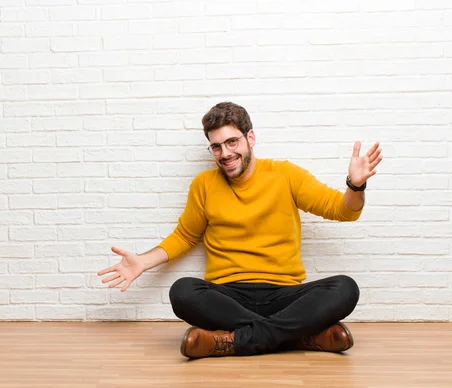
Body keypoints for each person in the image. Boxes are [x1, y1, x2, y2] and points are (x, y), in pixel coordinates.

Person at [97, 102, 383, 359]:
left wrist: (355, 185)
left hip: (284, 296)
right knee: (182, 292)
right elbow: (185, 235)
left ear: (251, 138)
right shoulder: (204, 184)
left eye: (232, 141)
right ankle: (299, 336)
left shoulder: (285, 175)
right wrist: (142, 263)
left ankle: (231, 341)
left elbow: (342, 210)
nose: (225, 153)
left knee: (345, 288)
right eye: (216, 146)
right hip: (228, 298)